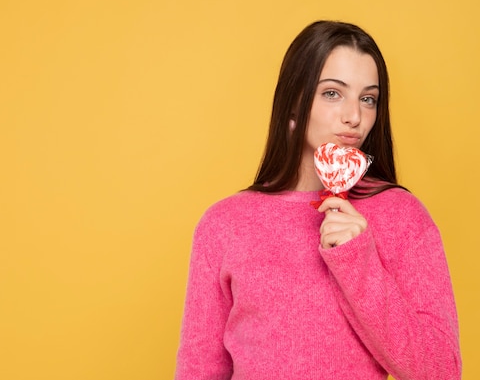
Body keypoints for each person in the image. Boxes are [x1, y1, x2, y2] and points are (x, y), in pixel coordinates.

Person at [176, 20, 462, 380]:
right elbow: (199, 369)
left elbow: (440, 372)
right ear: (294, 103)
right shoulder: (225, 224)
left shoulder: (402, 216)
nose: (354, 117)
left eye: (368, 99)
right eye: (332, 93)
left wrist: (359, 261)